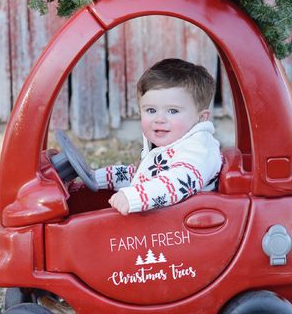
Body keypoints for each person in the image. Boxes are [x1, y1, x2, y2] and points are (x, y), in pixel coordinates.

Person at [94, 57, 222, 215]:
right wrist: (99, 178)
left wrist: (135, 197)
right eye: (151, 110)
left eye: (173, 111)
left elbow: (179, 182)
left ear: (201, 117)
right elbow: (143, 175)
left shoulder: (198, 150)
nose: (159, 119)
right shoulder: (173, 143)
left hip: (182, 231)